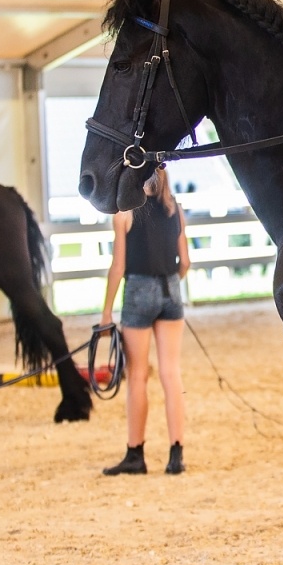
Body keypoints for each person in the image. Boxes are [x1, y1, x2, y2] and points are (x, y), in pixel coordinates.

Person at [101, 167, 190, 476]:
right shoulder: (175, 210)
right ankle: (176, 453)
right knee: (171, 372)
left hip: (138, 290)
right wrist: (170, 286)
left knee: (137, 374)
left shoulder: (125, 214)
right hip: (171, 290)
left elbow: (118, 267)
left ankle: (135, 453)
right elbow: (186, 263)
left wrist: (106, 312)